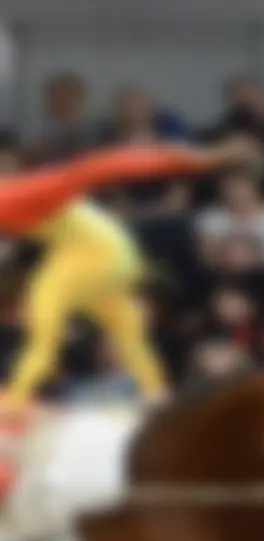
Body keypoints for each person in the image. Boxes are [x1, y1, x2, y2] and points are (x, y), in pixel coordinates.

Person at [0, 141, 245, 417]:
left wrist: (192, 159)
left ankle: (15, 398)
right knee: (124, 325)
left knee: (44, 306)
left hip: (97, 253)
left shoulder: (21, 193)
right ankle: (156, 392)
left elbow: (102, 167)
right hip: (114, 255)